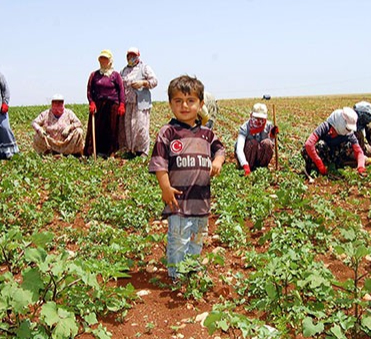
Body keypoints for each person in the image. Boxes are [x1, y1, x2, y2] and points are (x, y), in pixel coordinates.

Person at [148, 75, 226, 281]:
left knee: (197, 238)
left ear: (200, 104)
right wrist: (165, 188)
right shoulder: (168, 132)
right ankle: (176, 274)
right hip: (178, 201)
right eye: (178, 101)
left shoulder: (206, 134)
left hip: (201, 200)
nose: (184, 105)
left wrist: (217, 161)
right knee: (178, 239)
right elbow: (160, 163)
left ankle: (192, 268)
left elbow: (220, 150)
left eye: (190, 101)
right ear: (170, 103)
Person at [84, 49, 125, 158]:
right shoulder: (94, 75)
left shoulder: (115, 75)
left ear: (110, 61)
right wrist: (91, 102)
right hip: (98, 105)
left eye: (105, 59)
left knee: (112, 129)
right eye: (101, 59)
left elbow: (121, 90)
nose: (103, 61)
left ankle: (111, 152)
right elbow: (89, 90)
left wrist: (122, 104)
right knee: (97, 128)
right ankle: (95, 151)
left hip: (112, 105)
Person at [302, 107, 366, 176]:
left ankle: (337, 164)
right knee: (310, 149)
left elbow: (359, 151)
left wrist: (361, 167)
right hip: (323, 155)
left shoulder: (349, 134)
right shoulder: (325, 127)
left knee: (349, 145)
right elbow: (309, 144)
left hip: (336, 155)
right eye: (347, 128)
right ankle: (315, 167)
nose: (349, 131)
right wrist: (320, 164)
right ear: (341, 122)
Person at [119, 47, 158, 158]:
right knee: (129, 127)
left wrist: (142, 83)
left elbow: (155, 81)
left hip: (140, 103)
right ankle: (131, 150)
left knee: (140, 127)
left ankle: (143, 151)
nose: (131, 58)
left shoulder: (144, 68)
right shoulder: (123, 71)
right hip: (128, 103)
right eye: (129, 56)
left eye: (133, 55)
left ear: (138, 56)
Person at [235, 103, 278, 175]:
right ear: (251, 115)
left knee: (268, 143)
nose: (259, 121)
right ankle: (250, 167)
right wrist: (244, 164)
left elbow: (271, 146)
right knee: (252, 143)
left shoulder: (269, 126)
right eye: (256, 118)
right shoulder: (245, 127)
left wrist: (272, 136)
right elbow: (239, 148)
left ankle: (262, 167)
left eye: (261, 119)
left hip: (260, 156)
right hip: (247, 157)